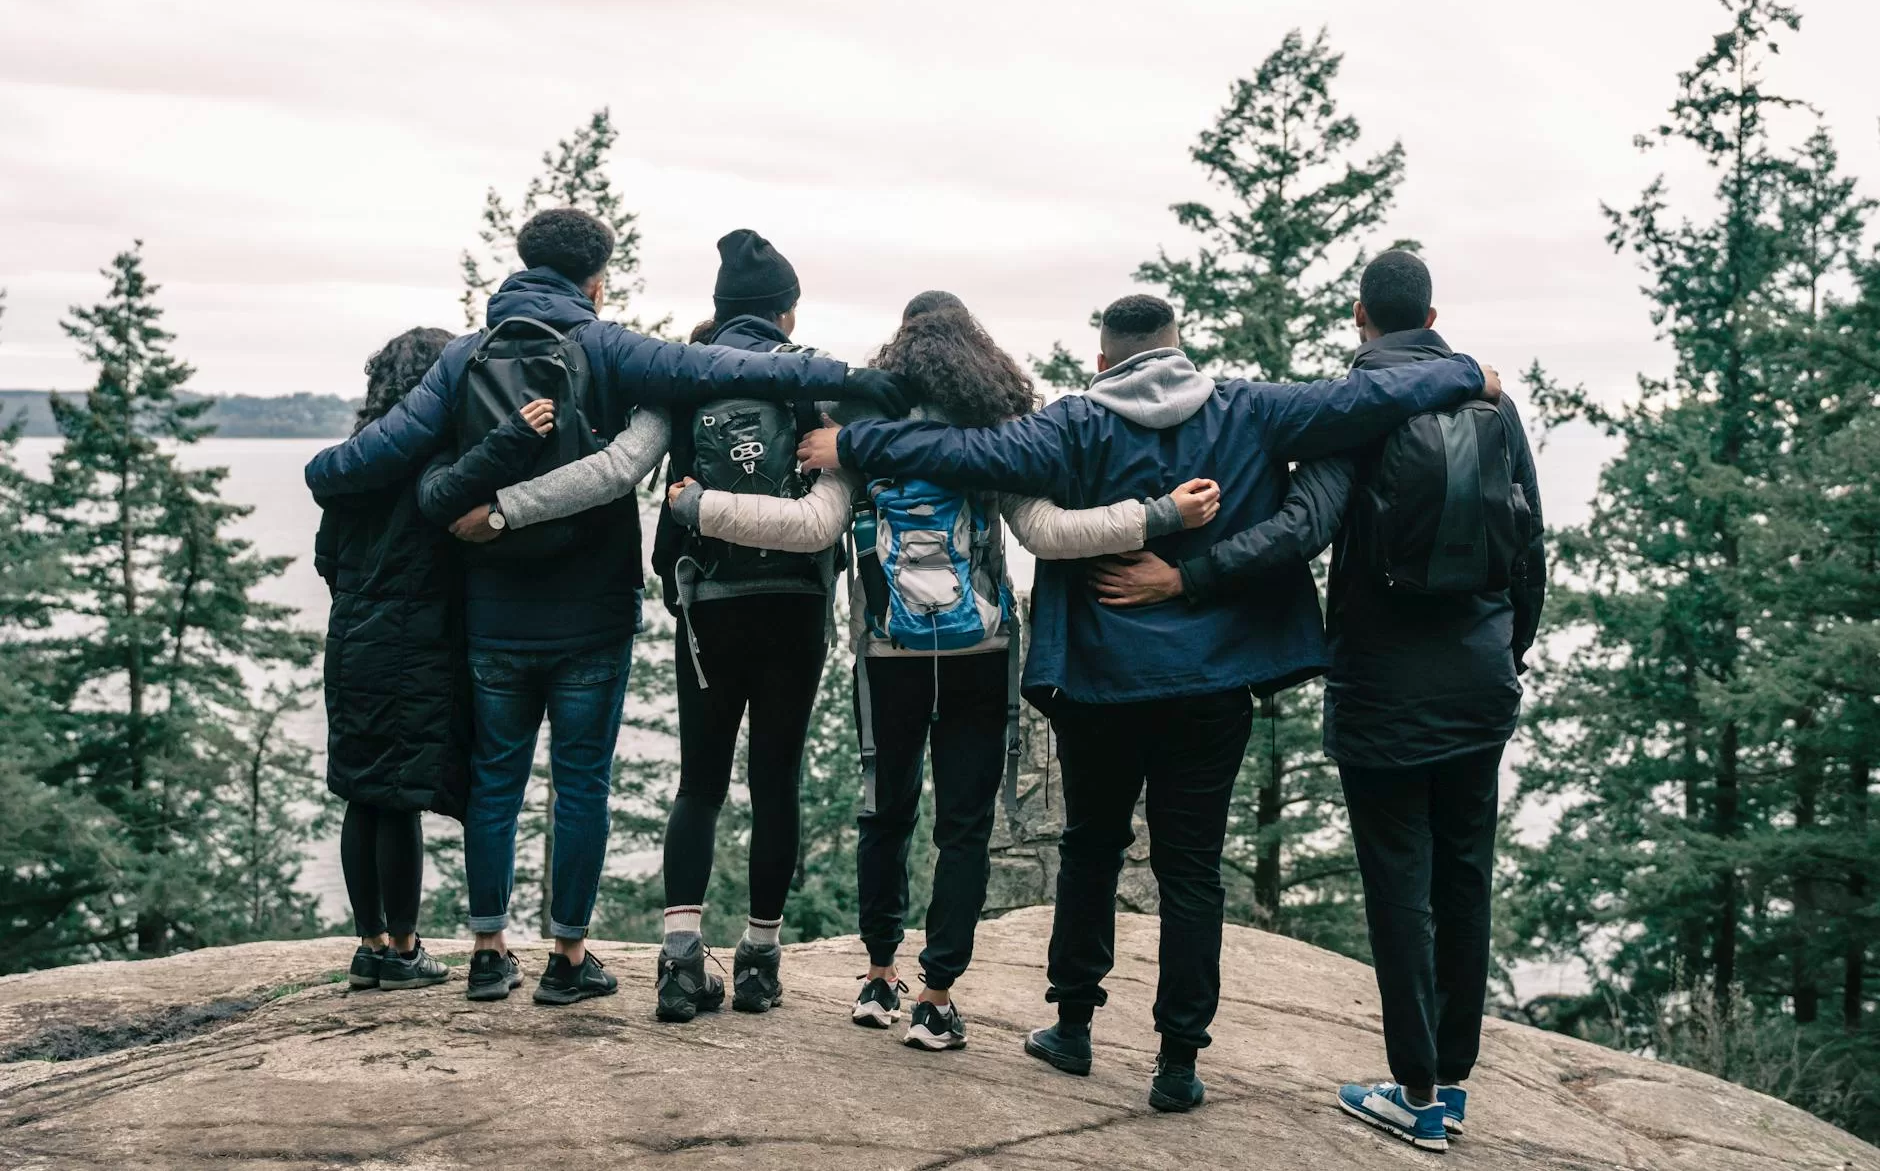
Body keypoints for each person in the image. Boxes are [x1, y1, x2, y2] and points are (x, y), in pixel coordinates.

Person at [799, 292, 1499, 1113]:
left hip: (1100, 682)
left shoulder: (1073, 424)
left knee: (1091, 848)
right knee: (1193, 871)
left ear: (1103, 361)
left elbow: (966, 450)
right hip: (1213, 683)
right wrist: (1462, 373)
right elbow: (1362, 399)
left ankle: (1073, 1027)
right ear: (1180, 349)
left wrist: (855, 439)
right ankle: (1177, 1061)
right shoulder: (1251, 409)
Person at [304, 209, 912, 1008]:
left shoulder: (462, 357)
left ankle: (487, 952)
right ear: (597, 280)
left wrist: (343, 471)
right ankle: (567, 958)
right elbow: (708, 368)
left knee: (497, 781)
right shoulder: (607, 346)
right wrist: (841, 379)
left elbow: (355, 464)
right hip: (593, 611)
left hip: (494, 610)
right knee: (583, 782)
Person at [663, 292, 1219, 1049]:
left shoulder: (860, 436)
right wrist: (1158, 517)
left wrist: (700, 507)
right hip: (980, 654)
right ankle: (936, 993)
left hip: (888, 653)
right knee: (963, 828)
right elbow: (1051, 534)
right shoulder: (994, 436)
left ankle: (879, 975)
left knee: (884, 816)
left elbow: (811, 527)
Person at [1089, 252, 1545, 1152]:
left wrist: (1185, 577)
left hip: (1384, 691)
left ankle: (1414, 1091)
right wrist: (1509, 647)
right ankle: (1450, 1084)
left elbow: (1298, 529)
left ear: (1359, 317)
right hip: (1481, 684)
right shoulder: (1493, 404)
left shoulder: (1360, 412)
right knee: (1464, 879)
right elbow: (1528, 536)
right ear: (1432, 314)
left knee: (1399, 890)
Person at [313, 327, 554, 993]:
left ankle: (368, 946)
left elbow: (327, 557)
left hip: (353, 634)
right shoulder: (438, 456)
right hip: (416, 638)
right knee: (399, 795)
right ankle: (404, 946)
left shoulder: (358, 462)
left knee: (361, 791)